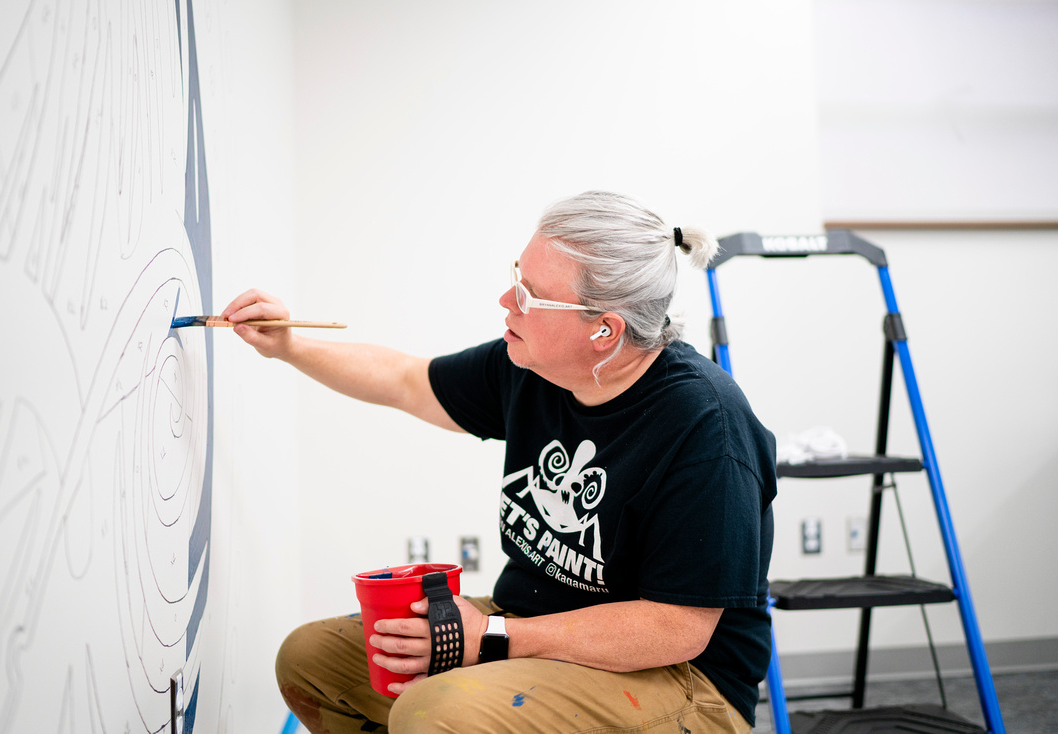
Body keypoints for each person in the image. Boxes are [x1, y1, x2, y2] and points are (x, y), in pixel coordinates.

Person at [223, 191, 777, 733]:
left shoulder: (706, 427)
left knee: (435, 709)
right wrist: (288, 345)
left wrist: (490, 635)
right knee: (311, 659)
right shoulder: (533, 367)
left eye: (529, 294)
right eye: (517, 277)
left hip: (682, 682)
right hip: (533, 629)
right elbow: (405, 380)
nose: (506, 301)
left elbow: (674, 629)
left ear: (604, 330)